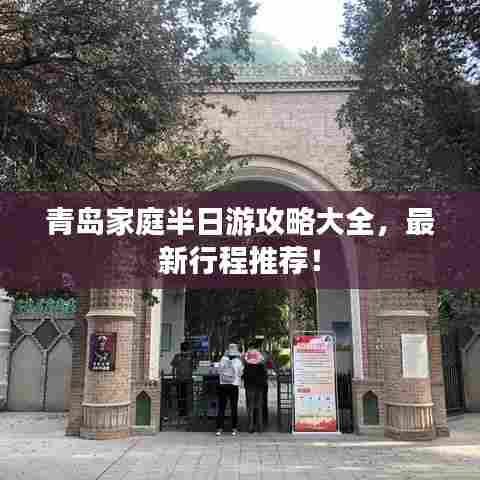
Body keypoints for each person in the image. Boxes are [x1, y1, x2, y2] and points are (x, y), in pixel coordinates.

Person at [216, 343, 244, 436]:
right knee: (233, 407)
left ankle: (219, 429)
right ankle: (234, 429)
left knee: (221, 407)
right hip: (233, 386)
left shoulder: (223, 359)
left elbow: (219, 371)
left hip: (223, 385)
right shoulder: (238, 361)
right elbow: (240, 374)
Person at [243, 340, 268, 433]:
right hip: (259, 388)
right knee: (259, 407)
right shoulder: (261, 366)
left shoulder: (247, 366)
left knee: (250, 407)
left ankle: (250, 427)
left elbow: (243, 377)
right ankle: (260, 428)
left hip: (249, 388)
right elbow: (265, 377)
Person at [170, 342, 193, 418]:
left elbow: (173, 368)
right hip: (182, 380)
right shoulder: (180, 356)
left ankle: (184, 412)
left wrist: (173, 377)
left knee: (184, 396)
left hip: (184, 379)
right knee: (182, 396)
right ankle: (183, 412)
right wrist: (173, 378)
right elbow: (173, 368)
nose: (186, 351)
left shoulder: (187, 357)